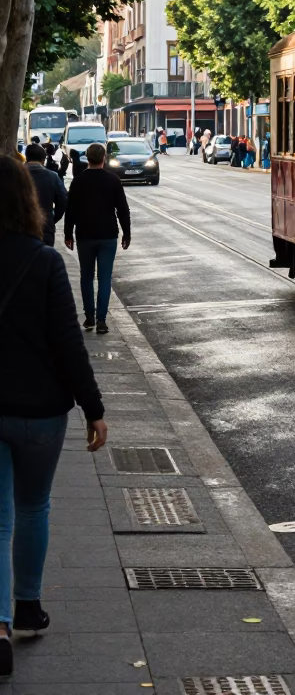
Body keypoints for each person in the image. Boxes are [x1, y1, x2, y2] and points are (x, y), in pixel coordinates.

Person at [0, 155, 107, 678]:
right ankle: (27, 605)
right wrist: (94, 408)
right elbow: (68, 341)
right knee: (34, 506)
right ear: (29, 201)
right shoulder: (44, 263)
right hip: (42, 411)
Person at [64, 143, 131, 334]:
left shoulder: (78, 181)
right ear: (104, 158)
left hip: (85, 234)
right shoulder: (113, 180)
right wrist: (126, 232)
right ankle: (102, 320)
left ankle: (89, 317)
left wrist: (68, 234)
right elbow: (122, 210)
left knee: (86, 276)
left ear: (87, 158)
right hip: (108, 234)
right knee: (104, 278)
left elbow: (71, 210)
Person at [23, 145, 67, 248]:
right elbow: (63, 200)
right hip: (45, 226)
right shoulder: (53, 177)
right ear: (43, 159)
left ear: (27, 157)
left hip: (20, 228)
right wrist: (52, 218)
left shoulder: (15, 175)